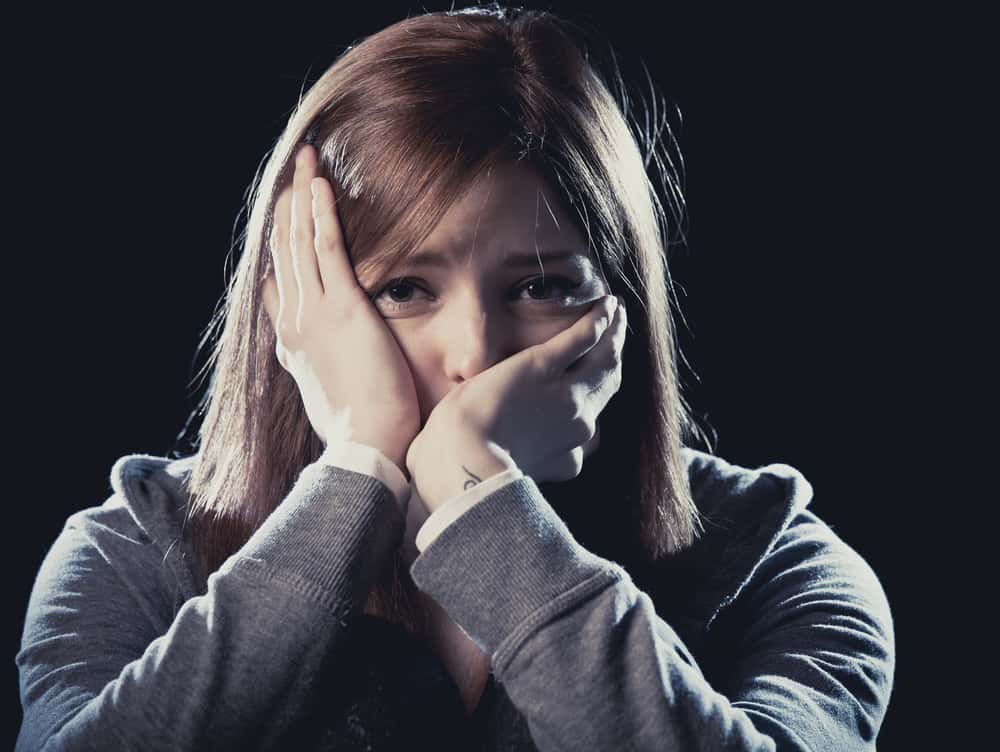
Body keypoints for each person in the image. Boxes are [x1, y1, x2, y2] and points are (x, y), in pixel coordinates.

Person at [15, 4, 895, 750]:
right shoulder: (135, 553)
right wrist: (359, 466)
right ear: (296, 309)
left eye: (541, 287)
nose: (475, 354)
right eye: (404, 289)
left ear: (620, 307)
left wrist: (481, 500)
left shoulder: (774, 565)